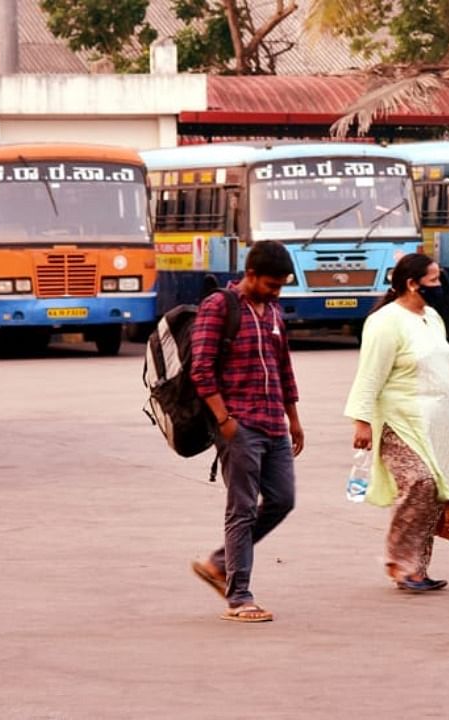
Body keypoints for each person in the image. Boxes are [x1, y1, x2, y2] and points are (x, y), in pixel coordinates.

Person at [188, 241, 305, 622]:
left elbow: (283, 365)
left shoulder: (272, 310)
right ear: (250, 275)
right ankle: (239, 597)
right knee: (241, 507)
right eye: (272, 285)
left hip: (274, 423)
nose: (277, 292)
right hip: (239, 424)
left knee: (282, 499)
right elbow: (202, 367)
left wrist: (294, 418)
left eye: (281, 286)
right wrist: (224, 420)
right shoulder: (219, 306)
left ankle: (219, 562)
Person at [344, 253, 449, 592]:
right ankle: (399, 561)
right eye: (434, 280)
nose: (440, 286)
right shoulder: (385, 322)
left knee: (436, 492)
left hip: (437, 421)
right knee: (421, 483)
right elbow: (369, 375)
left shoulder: (432, 318)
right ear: (412, 284)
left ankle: (417, 570)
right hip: (399, 420)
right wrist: (362, 421)